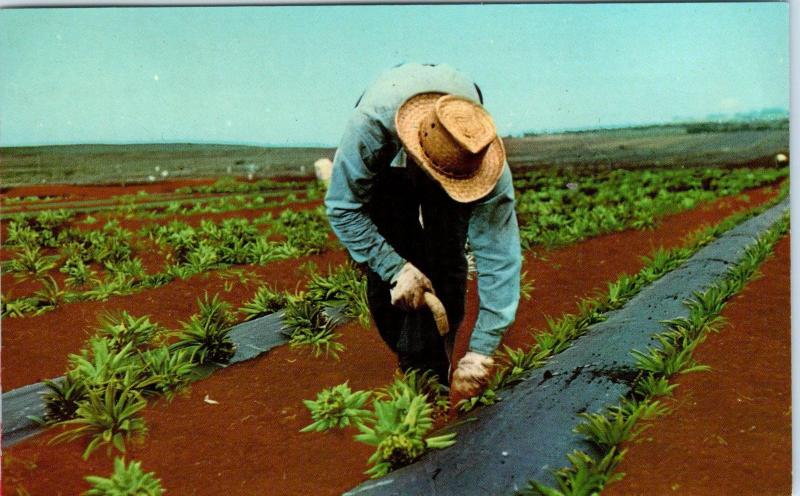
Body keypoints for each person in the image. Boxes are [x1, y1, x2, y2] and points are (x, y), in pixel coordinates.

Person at [325, 63, 521, 399]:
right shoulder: (371, 126)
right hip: (390, 155)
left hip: (448, 146)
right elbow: (344, 207)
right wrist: (394, 268)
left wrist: (482, 351)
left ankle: (437, 364)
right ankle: (413, 364)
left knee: (447, 255)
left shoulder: (477, 154)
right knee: (394, 244)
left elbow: (500, 256)